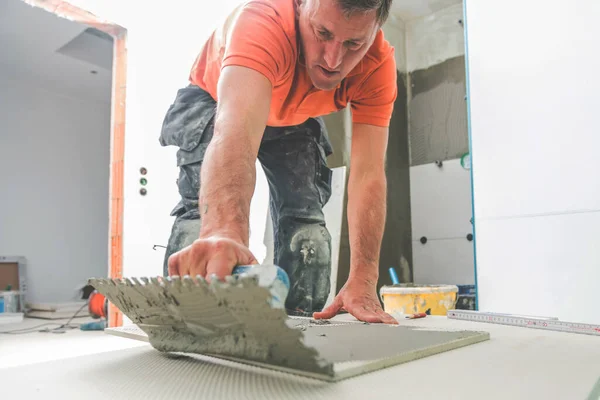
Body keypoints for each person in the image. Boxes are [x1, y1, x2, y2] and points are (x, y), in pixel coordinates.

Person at [159, 0, 398, 324]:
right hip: (216, 97)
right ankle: (184, 318)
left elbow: (368, 175)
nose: (333, 60)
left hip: (293, 116)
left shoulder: (377, 66)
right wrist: (225, 231)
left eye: (353, 44)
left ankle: (294, 328)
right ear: (300, 6)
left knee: (307, 230)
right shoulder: (263, 21)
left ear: (374, 32)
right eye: (322, 33)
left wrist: (364, 279)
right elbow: (236, 132)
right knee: (204, 225)